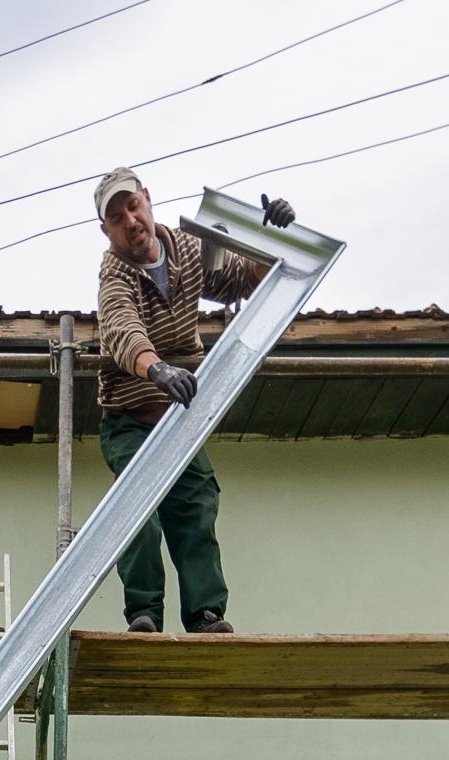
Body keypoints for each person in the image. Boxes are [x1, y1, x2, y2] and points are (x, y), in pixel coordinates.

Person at [90, 167, 299, 635]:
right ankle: (143, 615)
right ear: (106, 231)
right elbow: (121, 329)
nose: (130, 220)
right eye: (116, 217)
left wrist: (272, 234)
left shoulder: (186, 246)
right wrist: (156, 368)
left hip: (181, 416)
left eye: (132, 206)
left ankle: (205, 614)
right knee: (136, 512)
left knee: (196, 508)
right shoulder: (115, 273)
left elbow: (242, 280)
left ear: (147, 199)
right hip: (130, 418)